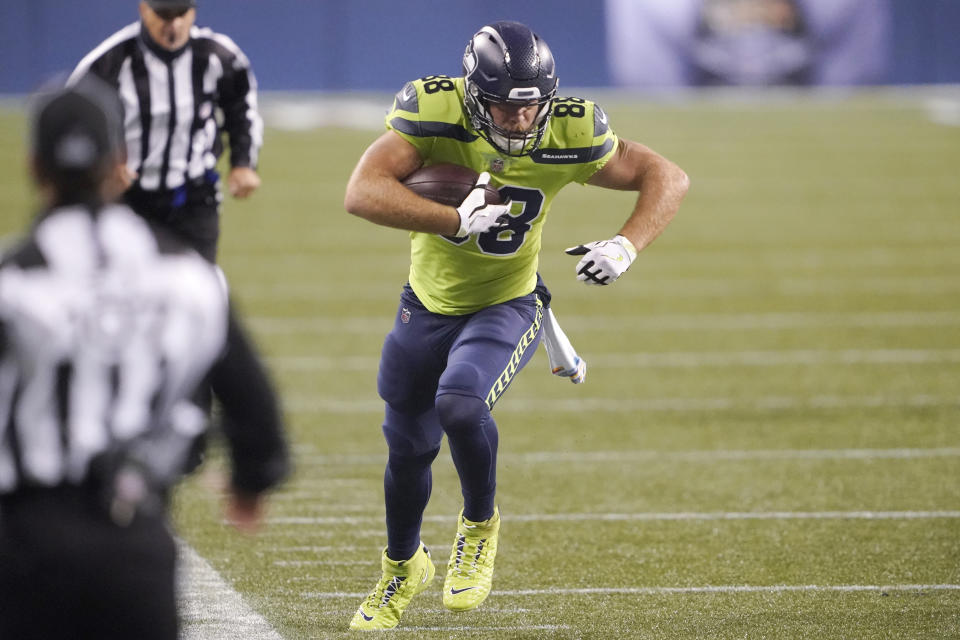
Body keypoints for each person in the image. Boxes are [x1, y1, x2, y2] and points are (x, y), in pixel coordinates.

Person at [342, 20, 689, 629]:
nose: (520, 122)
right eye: (504, 107)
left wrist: (627, 246)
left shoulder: (573, 129)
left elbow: (667, 175)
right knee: (407, 447)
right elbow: (361, 191)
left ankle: (479, 525)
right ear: (475, 95)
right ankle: (403, 566)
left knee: (459, 403)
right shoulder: (434, 111)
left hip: (508, 302)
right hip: (426, 304)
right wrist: (451, 219)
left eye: (530, 109)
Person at [0, 77, 288, 640]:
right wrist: (252, 481)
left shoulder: (14, 281)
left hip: (22, 548)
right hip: (133, 548)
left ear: (35, 167)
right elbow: (255, 407)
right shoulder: (187, 274)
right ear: (121, 161)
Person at [67, 0, 263, 263]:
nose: (174, 24)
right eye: (164, 14)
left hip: (194, 197)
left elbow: (241, 107)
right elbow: (71, 118)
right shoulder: (110, 60)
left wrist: (243, 163)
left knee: (197, 290)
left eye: (182, 13)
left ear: (193, 12)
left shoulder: (217, 56)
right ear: (143, 9)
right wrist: (102, 165)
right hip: (127, 201)